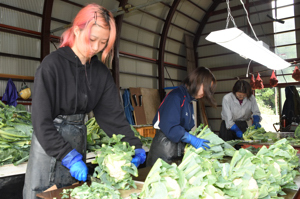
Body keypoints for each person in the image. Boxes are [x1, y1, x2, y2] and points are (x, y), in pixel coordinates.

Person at [23, 4, 146, 198]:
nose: (96, 47)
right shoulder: (52, 65)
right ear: (77, 30)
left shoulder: (101, 74)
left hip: (77, 141)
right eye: (92, 39)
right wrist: (68, 156)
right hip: (48, 144)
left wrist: (135, 146)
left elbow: (113, 118)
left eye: (103, 42)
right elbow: (41, 122)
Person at [146, 67, 217, 167]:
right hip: (165, 150)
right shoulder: (175, 97)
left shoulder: (188, 100)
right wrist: (190, 138)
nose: (205, 93)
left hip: (176, 150)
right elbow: (171, 127)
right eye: (206, 88)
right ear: (197, 82)